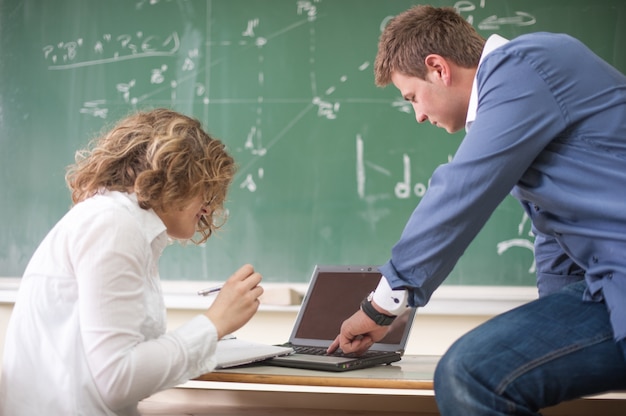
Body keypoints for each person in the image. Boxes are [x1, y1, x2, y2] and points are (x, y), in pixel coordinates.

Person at [328, 5, 626, 415]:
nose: (417, 115)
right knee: (477, 369)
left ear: (438, 68)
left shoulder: (523, 66)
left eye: (412, 97)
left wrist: (381, 306)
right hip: (607, 288)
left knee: (468, 373)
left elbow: (461, 190)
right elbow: (553, 232)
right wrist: (551, 320)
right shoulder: (523, 91)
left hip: (616, 281)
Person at [0, 108, 264, 416]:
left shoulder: (118, 223)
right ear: (172, 178)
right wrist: (214, 323)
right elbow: (118, 380)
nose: (209, 206)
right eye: (203, 187)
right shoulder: (113, 226)